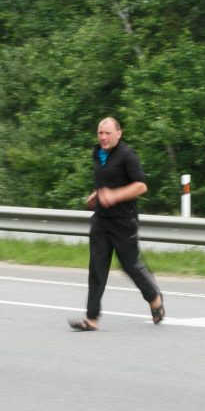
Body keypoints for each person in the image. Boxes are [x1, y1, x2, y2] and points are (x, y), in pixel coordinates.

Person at [69, 116, 165, 331]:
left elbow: (141, 186)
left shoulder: (127, 156)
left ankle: (155, 299)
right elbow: (106, 181)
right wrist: (96, 195)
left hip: (124, 221)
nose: (103, 137)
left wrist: (114, 195)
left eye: (107, 133)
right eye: (100, 133)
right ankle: (91, 319)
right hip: (101, 220)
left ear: (119, 133)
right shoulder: (98, 153)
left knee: (130, 266)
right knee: (97, 268)